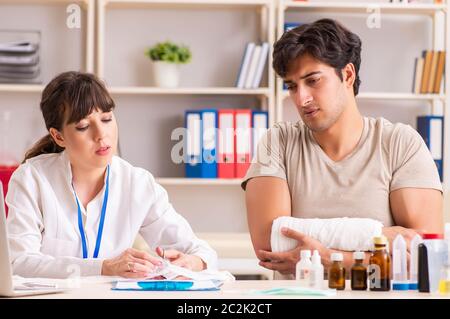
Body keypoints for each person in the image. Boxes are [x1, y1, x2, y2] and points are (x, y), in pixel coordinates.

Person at [242, 19, 443, 279]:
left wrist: (329, 259)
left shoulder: (401, 144)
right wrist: (378, 238)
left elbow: (423, 256)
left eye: (312, 80)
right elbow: (271, 248)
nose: (301, 98)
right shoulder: (277, 142)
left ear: (347, 75)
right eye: (292, 86)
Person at [6, 71, 217, 279]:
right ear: (58, 136)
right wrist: (103, 267)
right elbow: (19, 262)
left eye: (106, 119)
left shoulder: (138, 183)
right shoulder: (31, 179)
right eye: (83, 126)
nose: (101, 135)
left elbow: (201, 252)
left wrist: (193, 262)